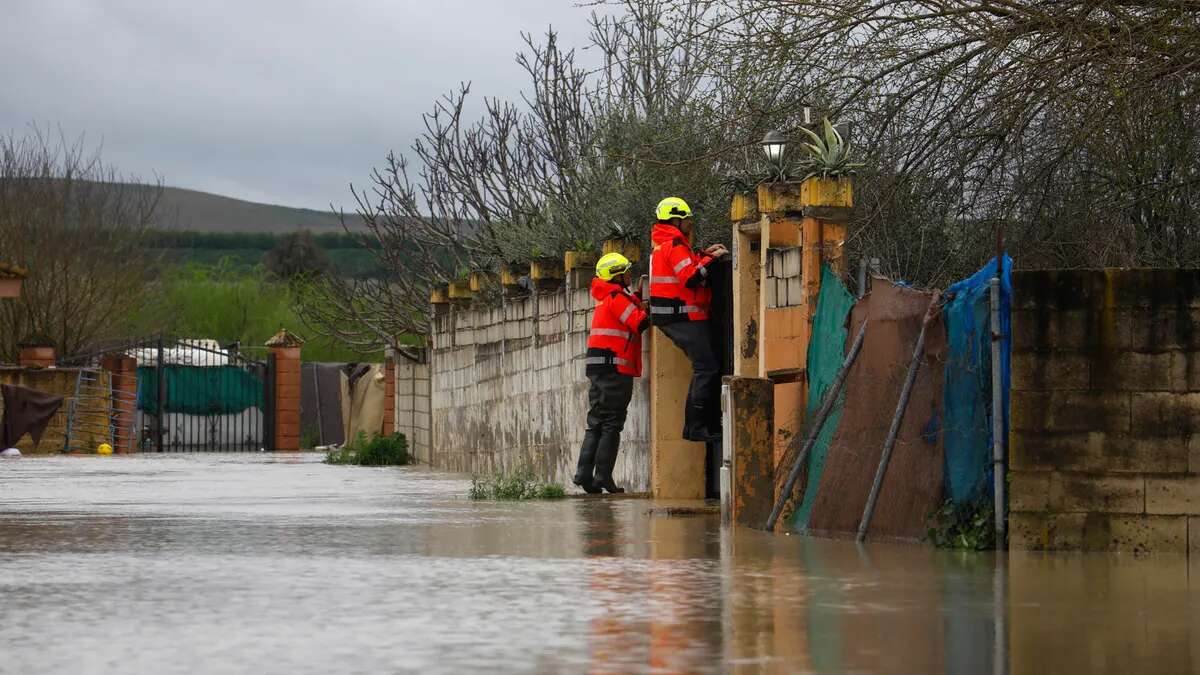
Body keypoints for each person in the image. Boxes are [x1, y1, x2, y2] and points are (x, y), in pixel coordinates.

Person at [649, 196, 728, 442]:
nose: (690, 224)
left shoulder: (665, 244)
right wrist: (712, 259)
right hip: (682, 315)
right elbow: (690, 277)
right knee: (706, 367)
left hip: (674, 316)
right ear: (676, 220)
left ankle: (696, 427)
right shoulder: (674, 244)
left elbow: (686, 267)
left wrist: (704, 254)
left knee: (705, 366)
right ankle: (696, 428)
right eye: (686, 219)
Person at [574, 252, 650, 494]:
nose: (630, 274)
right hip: (615, 369)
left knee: (595, 421)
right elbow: (639, 322)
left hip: (600, 368)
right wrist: (648, 304)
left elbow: (626, 312)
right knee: (611, 424)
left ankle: (584, 474)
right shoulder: (616, 296)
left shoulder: (608, 296)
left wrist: (637, 297)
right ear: (617, 276)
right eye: (626, 271)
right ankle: (603, 477)